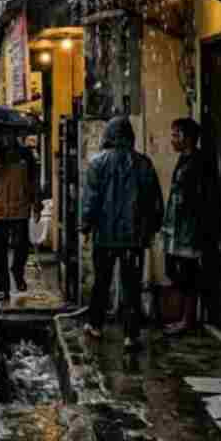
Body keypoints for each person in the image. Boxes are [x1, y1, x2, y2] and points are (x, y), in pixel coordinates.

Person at [82, 116, 164, 348]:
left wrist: (86, 226)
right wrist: (153, 227)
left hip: (105, 237)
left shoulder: (97, 163)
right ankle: (131, 334)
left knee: (101, 281)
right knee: (132, 285)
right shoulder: (144, 163)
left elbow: (91, 200)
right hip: (134, 237)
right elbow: (154, 201)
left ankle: (96, 325)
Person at [162, 118, 217, 335]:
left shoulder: (198, 161)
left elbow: (203, 198)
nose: (172, 139)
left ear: (187, 137)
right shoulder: (185, 160)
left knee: (189, 275)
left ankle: (188, 320)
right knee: (181, 273)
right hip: (179, 229)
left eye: (176, 135)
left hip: (191, 229)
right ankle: (184, 318)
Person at [0, 133, 39, 303]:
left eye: (11, 133)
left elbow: (33, 180)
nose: (8, 138)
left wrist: (36, 203)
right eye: (4, 134)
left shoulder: (26, 155)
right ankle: (3, 288)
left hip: (20, 209)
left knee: (22, 247)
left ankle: (17, 272)